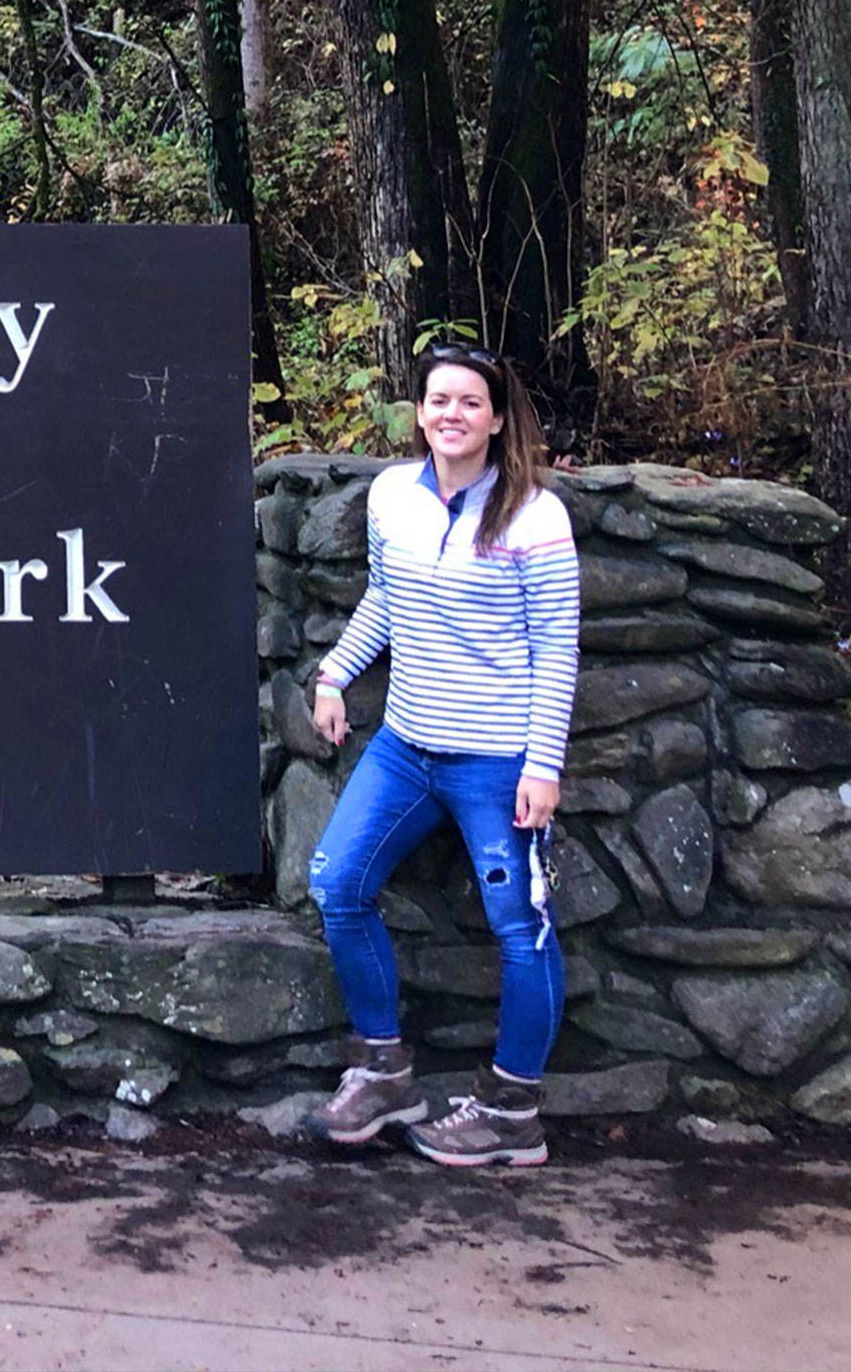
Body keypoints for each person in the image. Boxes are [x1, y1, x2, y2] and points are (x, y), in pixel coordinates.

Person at [305, 345, 579, 1166]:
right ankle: (385, 1071)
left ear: (497, 418)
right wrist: (334, 673)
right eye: (436, 401)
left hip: (496, 761)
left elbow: (557, 649)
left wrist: (543, 765)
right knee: (336, 882)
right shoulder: (393, 497)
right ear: (417, 412)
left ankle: (512, 1111)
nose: (450, 415)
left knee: (519, 925)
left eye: (469, 402)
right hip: (404, 747)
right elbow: (385, 598)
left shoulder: (535, 516)